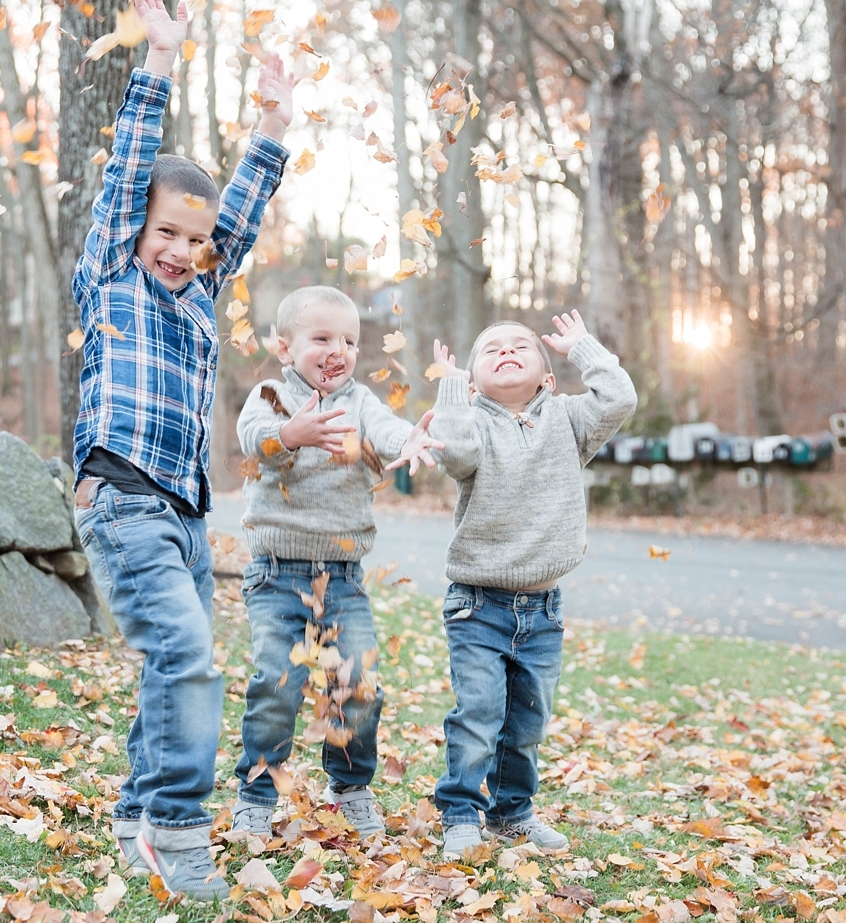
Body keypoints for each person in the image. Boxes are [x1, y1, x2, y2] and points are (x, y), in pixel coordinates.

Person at [68, 0, 292, 899]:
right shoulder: (112, 268)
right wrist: (159, 60)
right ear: (137, 232)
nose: (181, 249)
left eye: (195, 241)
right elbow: (130, 171)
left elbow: (241, 206)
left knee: (178, 662)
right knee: (191, 657)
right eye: (166, 232)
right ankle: (176, 824)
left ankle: (135, 813)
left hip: (183, 509)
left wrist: (273, 122)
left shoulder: (199, 290)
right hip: (121, 495)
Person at [230, 285, 442, 839]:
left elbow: (386, 428)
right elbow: (252, 439)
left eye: (349, 340)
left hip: (343, 577)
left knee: (357, 682)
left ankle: (349, 785)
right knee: (278, 682)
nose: (337, 350)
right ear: (285, 347)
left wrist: (409, 439)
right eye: (321, 337)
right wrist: (288, 434)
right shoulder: (272, 393)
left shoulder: (359, 401)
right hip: (278, 573)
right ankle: (257, 791)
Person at [425, 310, 637, 859]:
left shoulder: (569, 422)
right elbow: (457, 456)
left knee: (526, 724)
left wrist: (583, 347)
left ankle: (512, 814)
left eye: (521, 344)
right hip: (478, 604)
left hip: (543, 609)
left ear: (547, 375)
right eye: (491, 348)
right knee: (478, 714)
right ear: (473, 380)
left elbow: (619, 400)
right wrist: (451, 392)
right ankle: (460, 815)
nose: (507, 350)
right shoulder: (469, 419)